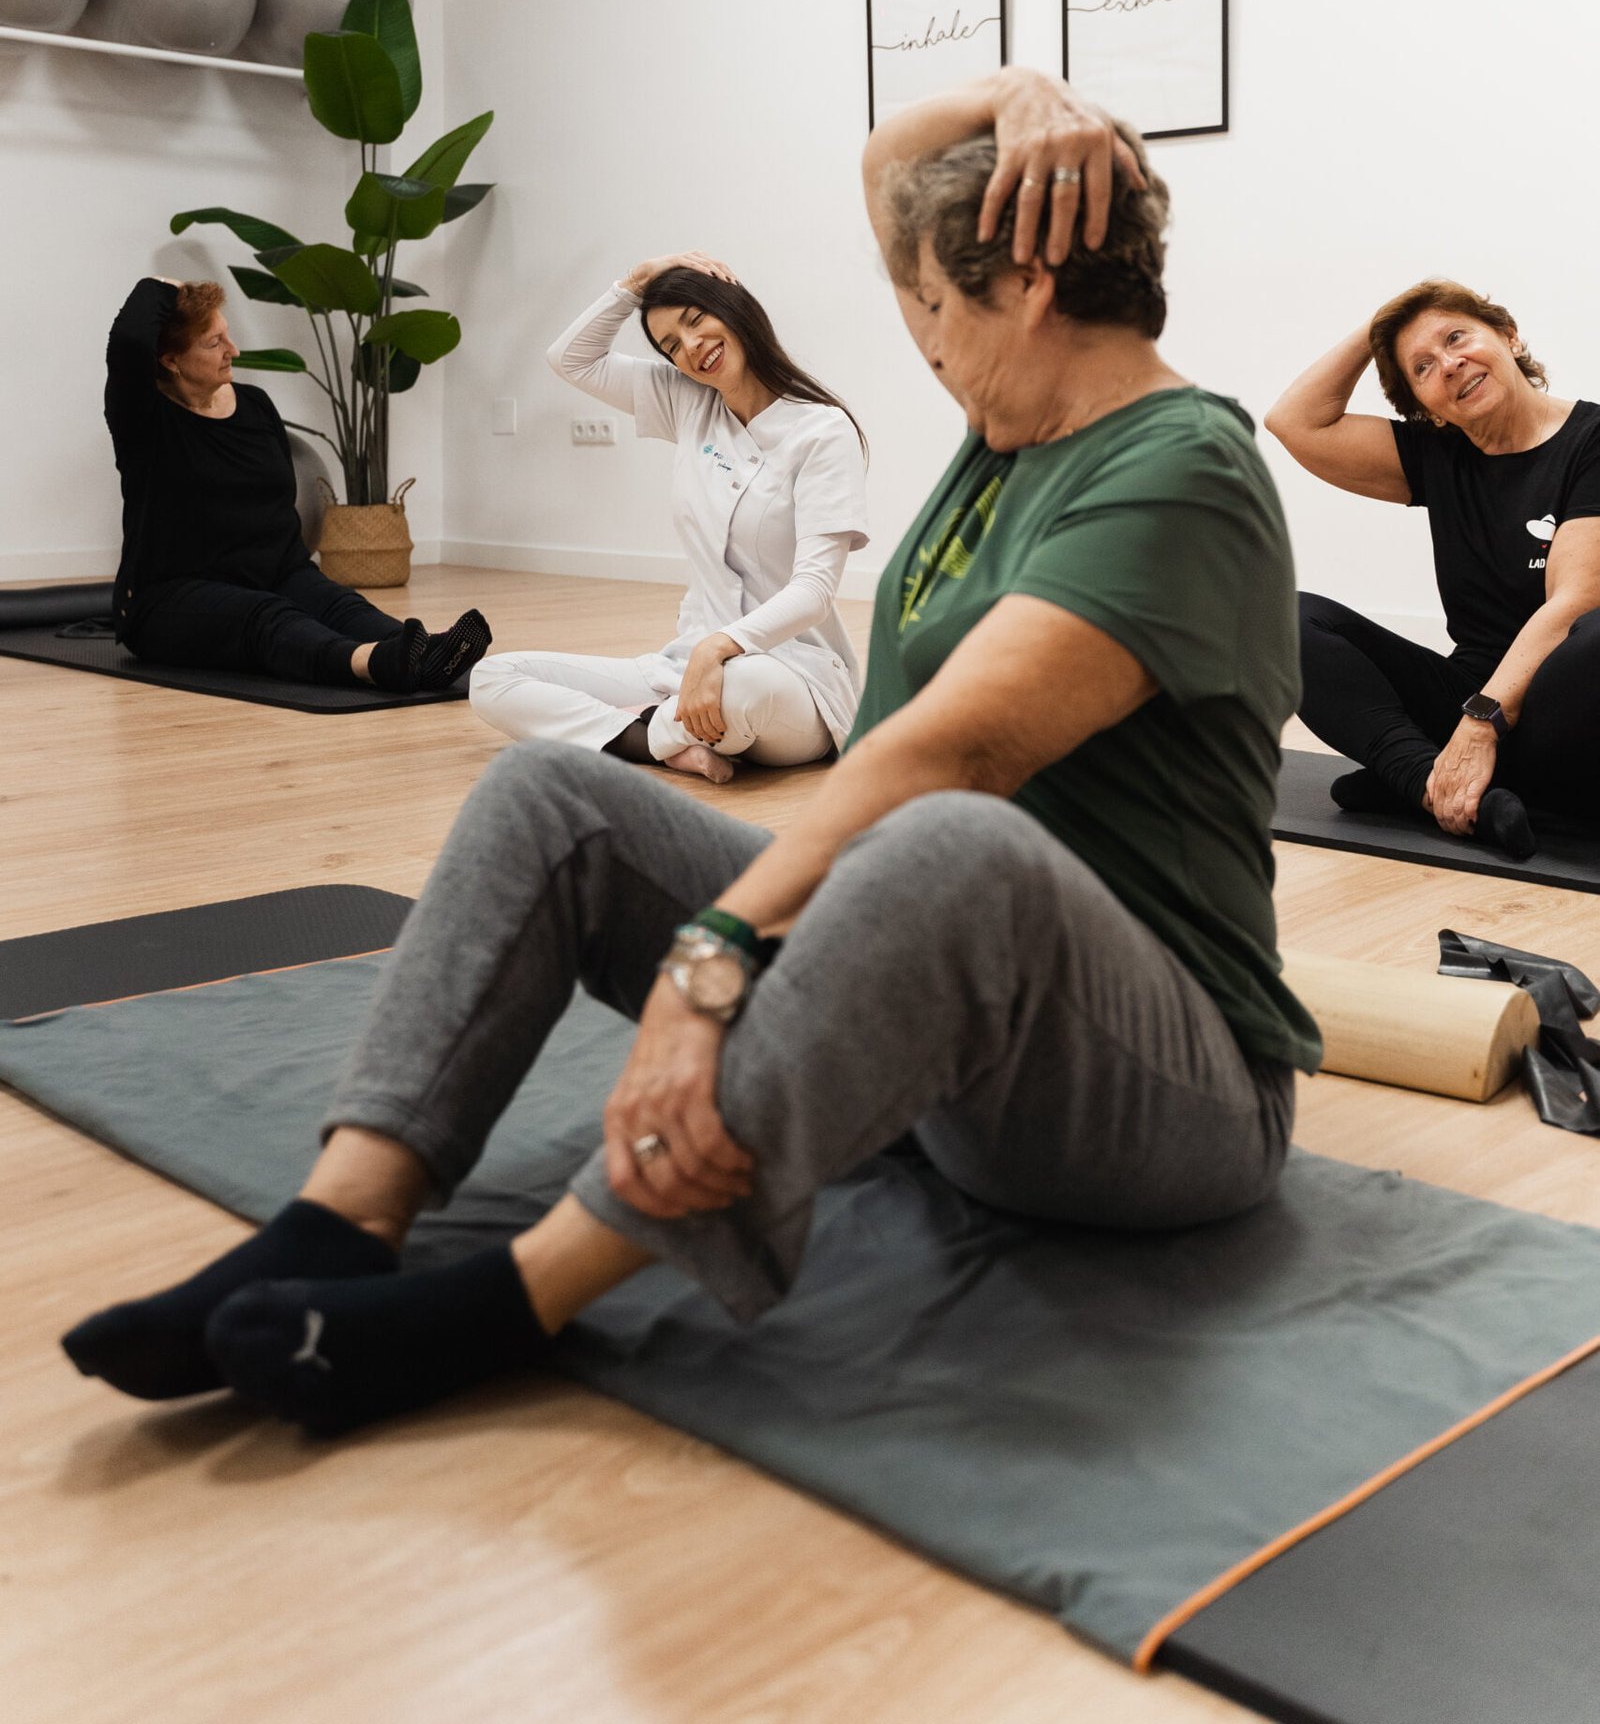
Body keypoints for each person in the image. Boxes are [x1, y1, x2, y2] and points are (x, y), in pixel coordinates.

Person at [65, 73, 1320, 1437]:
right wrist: (1021, 94)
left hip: (1160, 1097)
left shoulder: (1181, 471)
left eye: (941, 316)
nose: (926, 346)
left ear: (1023, 286)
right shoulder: (1012, 423)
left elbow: (951, 757)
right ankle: (337, 1222)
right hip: (945, 1035)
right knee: (555, 795)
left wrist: (716, 957)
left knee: (951, 841)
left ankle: (510, 1303)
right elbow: (885, 170)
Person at [468, 256, 868, 783]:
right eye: (670, 345)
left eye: (697, 319)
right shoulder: (689, 402)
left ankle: (643, 733)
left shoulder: (823, 431)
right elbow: (572, 359)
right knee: (494, 676)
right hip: (685, 668)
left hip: (789, 678)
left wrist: (718, 648)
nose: (691, 346)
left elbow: (814, 590)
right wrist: (634, 284)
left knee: (742, 687)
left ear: (736, 309)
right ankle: (664, 742)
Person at [1266, 284, 1600, 855]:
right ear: (1424, 407)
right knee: (1276, 616)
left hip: (1558, 708)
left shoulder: (1591, 441)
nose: (1449, 364)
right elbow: (1294, 422)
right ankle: (1427, 782)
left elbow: (1573, 602)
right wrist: (1381, 323)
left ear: (1510, 337)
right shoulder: (1435, 453)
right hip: (1463, 694)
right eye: (1423, 367)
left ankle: (1421, 776)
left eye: (1457, 337)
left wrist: (1479, 725)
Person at [104, 276, 489, 695]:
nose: (232, 350)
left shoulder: (254, 405)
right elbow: (127, 341)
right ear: (171, 360)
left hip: (277, 572)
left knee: (343, 606)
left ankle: (426, 654)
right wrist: (160, 286)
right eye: (214, 343)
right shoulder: (144, 421)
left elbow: (277, 514)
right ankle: (373, 664)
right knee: (268, 616)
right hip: (171, 597)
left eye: (227, 336)